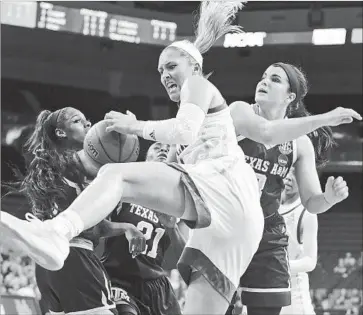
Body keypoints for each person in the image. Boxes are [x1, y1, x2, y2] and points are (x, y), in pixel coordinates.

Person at [1, 2, 266, 314]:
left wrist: (135, 127)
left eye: (171, 66)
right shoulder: (194, 135)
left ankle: (57, 233)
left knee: (116, 175)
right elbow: (184, 138)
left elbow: (182, 130)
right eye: (160, 70)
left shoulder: (198, 84)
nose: (165, 75)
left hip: (225, 188)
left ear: (194, 67)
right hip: (240, 222)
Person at [226, 62, 360, 315]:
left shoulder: (300, 143)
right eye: (263, 76)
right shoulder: (239, 112)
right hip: (226, 226)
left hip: (266, 233)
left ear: (290, 97)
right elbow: (266, 133)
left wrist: (329, 198)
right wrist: (326, 118)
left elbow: (311, 202)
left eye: (274, 79)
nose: (263, 81)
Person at [3, 107, 147, 315]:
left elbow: (92, 224)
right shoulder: (66, 162)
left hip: (48, 266)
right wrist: (129, 134)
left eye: (88, 119)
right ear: (61, 132)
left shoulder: (62, 168)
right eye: (78, 121)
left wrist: (126, 227)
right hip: (76, 257)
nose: (88, 124)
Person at [102, 142, 185, 315]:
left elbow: (184, 257)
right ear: (146, 160)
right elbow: (98, 227)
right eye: (157, 147)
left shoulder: (173, 201)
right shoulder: (125, 188)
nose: (163, 149)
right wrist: (125, 228)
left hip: (157, 285)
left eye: (167, 148)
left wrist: (172, 229)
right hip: (121, 279)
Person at [279, 167, 317, 315]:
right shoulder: (266, 205)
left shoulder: (306, 212)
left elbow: (310, 261)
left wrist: (278, 266)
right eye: (287, 170)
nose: (289, 177)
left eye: (295, 173)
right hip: (262, 285)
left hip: (293, 293)